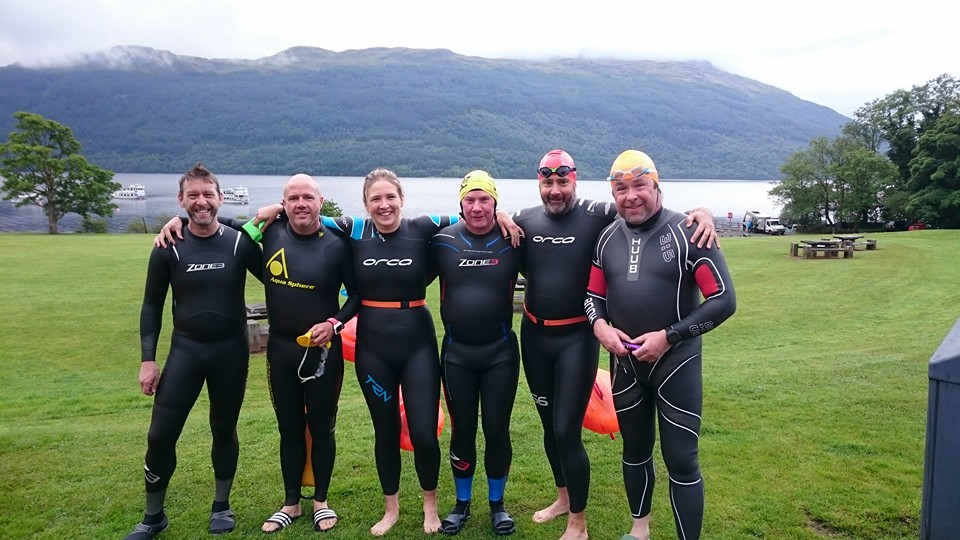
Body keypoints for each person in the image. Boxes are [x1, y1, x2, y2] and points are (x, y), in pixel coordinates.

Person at [251, 168, 520, 536]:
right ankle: (390, 508)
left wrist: (503, 213)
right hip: (374, 349)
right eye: (375, 198)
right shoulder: (353, 230)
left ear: (402, 199)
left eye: (390, 197)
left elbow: (470, 213)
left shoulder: (422, 227)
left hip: (418, 346)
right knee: (386, 431)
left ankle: (430, 506)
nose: (384, 204)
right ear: (365, 203)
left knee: (425, 433)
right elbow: (309, 213)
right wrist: (275, 210)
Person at [510, 149, 717, 540]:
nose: (555, 190)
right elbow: (484, 225)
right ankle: (564, 497)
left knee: (566, 429)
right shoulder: (523, 220)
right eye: (547, 182)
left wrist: (702, 212)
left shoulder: (599, 214)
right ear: (539, 182)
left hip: (578, 337)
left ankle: (578, 522)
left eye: (562, 181)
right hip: (535, 336)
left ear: (576, 180)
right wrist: (501, 214)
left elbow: (644, 205)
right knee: (549, 429)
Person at [156, 174, 361, 533]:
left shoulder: (338, 244)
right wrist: (179, 220)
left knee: (323, 428)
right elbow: (215, 221)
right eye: (293, 198)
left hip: (322, 351)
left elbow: (356, 296)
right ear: (283, 203)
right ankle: (291, 503)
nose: (301, 204)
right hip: (280, 351)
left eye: (307, 197)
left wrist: (334, 323)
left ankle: (322, 502)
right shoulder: (269, 233)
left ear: (320, 201)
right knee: (289, 428)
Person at [585, 150, 736, 540]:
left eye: (640, 186)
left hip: (676, 366)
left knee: (681, 461)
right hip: (626, 366)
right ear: (613, 194)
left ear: (657, 188)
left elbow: (722, 299)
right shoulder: (606, 238)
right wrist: (600, 326)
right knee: (634, 453)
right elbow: (593, 295)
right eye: (621, 189)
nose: (631, 196)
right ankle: (639, 532)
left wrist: (669, 337)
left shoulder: (689, 232)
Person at [125, 163, 263, 540]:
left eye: (208, 195)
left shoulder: (238, 243)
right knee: (161, 435)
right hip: (185, 352)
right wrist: (148, 360)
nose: (201, 202)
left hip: (230, 354)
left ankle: (222, 505)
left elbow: (279, 276)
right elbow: (152, 306)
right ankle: (154, 516)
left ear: (220, 198)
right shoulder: (168, 246)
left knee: (224, 429)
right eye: (192, 196)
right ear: (181, 199)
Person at [429, 171, 523, 536]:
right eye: (471, 199)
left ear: (496, 203)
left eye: (486, 199)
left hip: (500, 352)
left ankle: (497, 505)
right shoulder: (441, 242)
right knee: (462, 430)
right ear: (461, 204)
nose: (478, 206)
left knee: (497, 429)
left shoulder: (514, 239)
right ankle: (462, 503)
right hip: (457, 355)